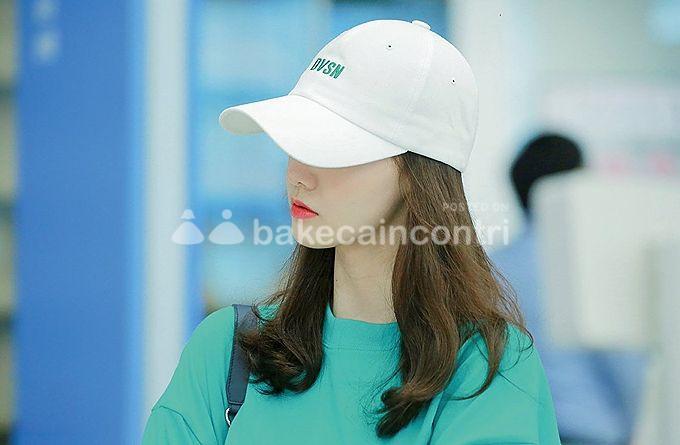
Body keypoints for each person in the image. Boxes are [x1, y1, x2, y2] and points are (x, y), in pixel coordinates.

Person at [141, 19, 561, 444]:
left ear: (417, 174)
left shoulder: (488, 369)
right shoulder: (228, 349)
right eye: (293, 142)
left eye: (328, 147)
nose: (297, 175)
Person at [490, 133, 647, 444]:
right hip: (593, 434)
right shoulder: (595, 263)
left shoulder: (491, 270)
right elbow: (626, 368)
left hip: (522, 433)